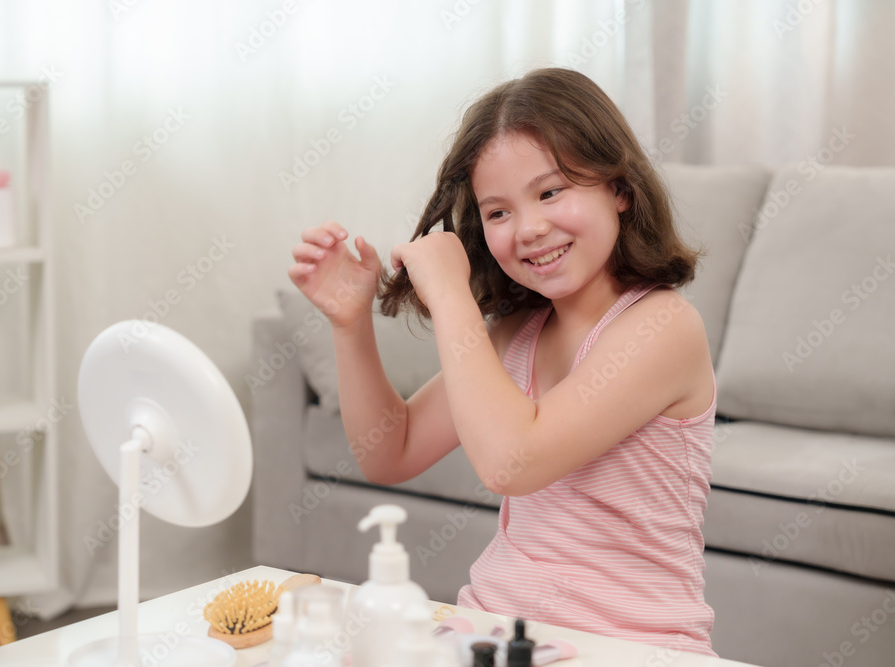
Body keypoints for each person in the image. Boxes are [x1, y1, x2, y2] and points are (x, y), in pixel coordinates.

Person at [287, 67, 717, 657]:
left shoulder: (663, 327)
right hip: (497, 631)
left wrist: (451, 295)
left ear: (619, 188)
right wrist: (350, 322)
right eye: (497, 212)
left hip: (632, 646)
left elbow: (512, 463)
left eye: (550, 192)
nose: (531, 229)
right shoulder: (518, 331)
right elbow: (390, 450)